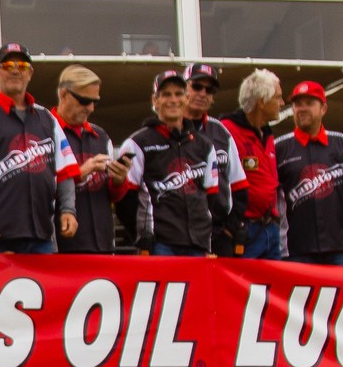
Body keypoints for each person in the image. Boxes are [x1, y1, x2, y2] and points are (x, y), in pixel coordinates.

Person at [0, 42, 77, 254]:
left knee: (44, 288)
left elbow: (65, 172)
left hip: (41, 235)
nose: (14, 70)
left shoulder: (47, 118)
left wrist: (68, 209)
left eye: (21, 66)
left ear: (30, 73)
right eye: (7, 65)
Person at [116, 69, 218, 258]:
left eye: (178, 94)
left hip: (198, 244)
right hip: (160, 245)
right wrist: (142, 238)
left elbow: (212, 198)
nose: (173, 100)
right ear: (155, 100)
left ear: (186, 98)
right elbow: (125, 200)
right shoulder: (138, 143)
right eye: (166, 95)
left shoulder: (204, 145)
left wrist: (208, 240)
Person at [273, 79, 343, 266]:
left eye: (309, 103)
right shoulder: (279, 148)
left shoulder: (342, 144)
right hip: (294, 251)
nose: (302, 108)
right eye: (297, 104)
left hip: (341, 248)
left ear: (323, 109)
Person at [54, 64, 126, 254]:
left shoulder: (100, 136)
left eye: (95, 101)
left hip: (102, 244)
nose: (91, 108)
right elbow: (36, 187)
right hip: (62, 246)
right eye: (85, 101)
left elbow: (112, 195)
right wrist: (81, 172)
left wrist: (119, 180)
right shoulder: (45, 131)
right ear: (63, 95)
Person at [216, 69, 284, 259]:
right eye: (278, 98)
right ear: (261, 102)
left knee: (273, 286)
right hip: (244, 230)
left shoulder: (267, 133)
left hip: (269, 227)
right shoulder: (226, 131)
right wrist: (227, 227)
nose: (282, 103)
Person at [182, 61, 247, 253]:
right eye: (196, 86)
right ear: (183, 88)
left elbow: (240, 186)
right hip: (180, 235)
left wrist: (230, 228)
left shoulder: (220, 131)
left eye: (209, 90)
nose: (202, 93)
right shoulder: (169, 129)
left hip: (219, 234)